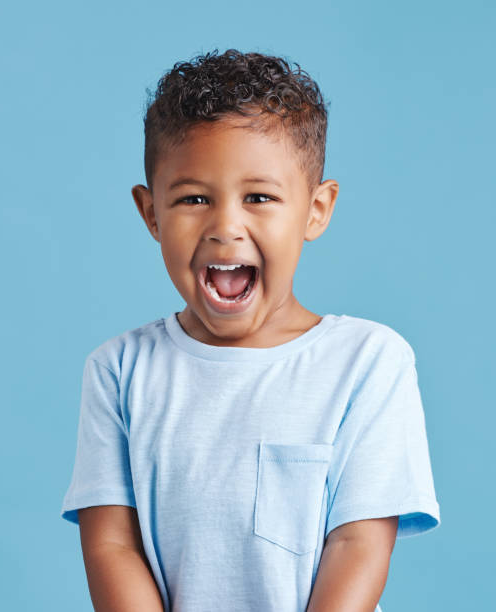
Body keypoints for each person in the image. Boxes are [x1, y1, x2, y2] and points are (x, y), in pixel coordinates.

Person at [60, 48, 441, 612]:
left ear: (316, 209)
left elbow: (358, 543)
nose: (225, 228)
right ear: (151, 214)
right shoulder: (119, 371)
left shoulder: (368, 362)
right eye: (193, 199)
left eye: (259, 197)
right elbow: (112, 543)